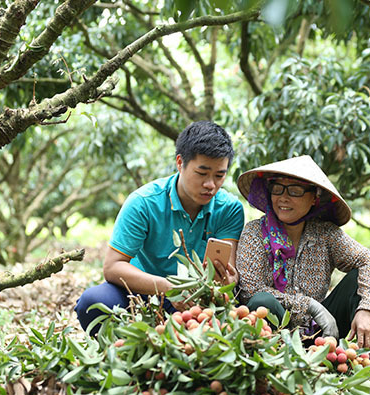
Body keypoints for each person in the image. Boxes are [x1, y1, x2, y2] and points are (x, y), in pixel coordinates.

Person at [75, 121, 245, 335]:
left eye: (219, 175)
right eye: (202, 173)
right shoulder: (144, 202)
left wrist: (228, 281)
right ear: (180, 163)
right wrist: (169, 288)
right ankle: (126, 350)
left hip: (198, 301)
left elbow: (228, 271)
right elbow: (113, 267)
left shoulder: (229, 209)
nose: (211, 184)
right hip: (143, 294)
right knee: (93, 302)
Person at [235, 155, 370, 368]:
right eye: (277, 189)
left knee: (357, 280)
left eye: (294, 191)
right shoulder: (255, 233)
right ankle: (278, 366)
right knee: (262, 302)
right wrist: (310, 305)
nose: (283, 198)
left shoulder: (325, 233)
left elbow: (369, 261)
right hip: (276, 336)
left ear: (314, 198)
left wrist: (367, 309)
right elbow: (251, 289)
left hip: (322, 335)